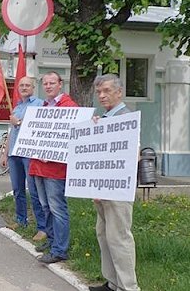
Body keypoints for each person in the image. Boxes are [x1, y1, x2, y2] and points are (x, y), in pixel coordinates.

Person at [88, 74, 139, 291]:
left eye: (107, 91)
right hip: (102, 190)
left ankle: (128, 287)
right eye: (99, 92)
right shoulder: (106, 119)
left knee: (119, 238)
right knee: (104, 235)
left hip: (117, 192)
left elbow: (132, 156)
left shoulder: (127, 118)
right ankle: (112, 283)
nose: (101, 95)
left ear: (119, 92)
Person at [30, 71, 78, 264]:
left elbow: (72, 138)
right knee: (46, 207)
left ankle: (60, 250)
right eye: (45, 83)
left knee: (57, 208)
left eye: (52, 83)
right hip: (38, 166)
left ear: (60, 84)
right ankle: (51, 241)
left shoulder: (69, 107)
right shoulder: (42, 106)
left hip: (56, 169)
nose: (48, 86)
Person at [0, 77, 47, 240]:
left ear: (33, 88)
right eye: (22, 85)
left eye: (27, 85)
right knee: (17, 189)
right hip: (14, 154)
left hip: (29, 153)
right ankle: (21, 220)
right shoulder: (17, 106)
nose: (24, 88)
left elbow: (39, 127)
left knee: (34, 190)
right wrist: (5, 153)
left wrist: (18, 122)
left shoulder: (40, 104)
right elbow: (12, 131)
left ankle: (42, 227)